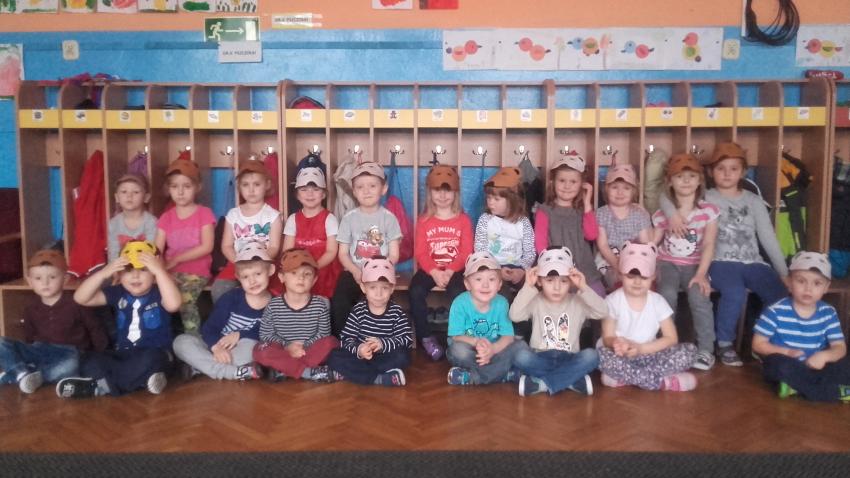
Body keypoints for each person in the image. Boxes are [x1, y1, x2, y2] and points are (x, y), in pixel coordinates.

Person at [661, 142, 788, 367]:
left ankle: (764, 342)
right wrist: (672, 214)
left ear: (744, 172)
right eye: (721, 168)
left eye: (734, 168)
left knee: (779, 293)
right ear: (710, 172)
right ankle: (725, 343)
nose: (727, 174)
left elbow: (768, 237)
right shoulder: (705, 196)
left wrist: (784, 272)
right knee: (734, 292)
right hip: (720, 262)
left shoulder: (753, 200)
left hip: (753, 261)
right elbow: (666, 196)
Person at [58, 241, 181, 398]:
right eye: (128, 270)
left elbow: (173, 304)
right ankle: (137, 381)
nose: (135, 276)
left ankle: (100, 386)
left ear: (154, 274)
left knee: (152, 360)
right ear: (120, 274)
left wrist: (160, 271)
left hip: (155, 353)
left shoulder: (161, 291)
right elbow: (81, 298)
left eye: (143, 270)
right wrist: (103, 273)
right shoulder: (118, 292)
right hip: (124, 354)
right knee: (91, 359)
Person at [0, 250, 107, 394]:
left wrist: (103, 353)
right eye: (38, 278)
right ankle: (21, 373)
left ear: (65, 278)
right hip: (40, 350)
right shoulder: (30, 308)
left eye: (52, 277)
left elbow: (95, 329)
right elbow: (29, 338)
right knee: (2, 343)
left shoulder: (77, 303)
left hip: (69, 353)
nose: (45, 283)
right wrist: (28, 352)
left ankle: (26, 376)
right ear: (30, 281)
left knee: (71, 365)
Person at [597, 241, 698, 392]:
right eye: (631, 276)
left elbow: (671, 338)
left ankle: (627, 377)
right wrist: (617, 343)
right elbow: (607, 338)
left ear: (653, 276)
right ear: (620, 274)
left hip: (650, 353)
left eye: (644, 277)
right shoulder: (612, 301)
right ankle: (664, 382)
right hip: (622, 356)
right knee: (601, 355)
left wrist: (641, 348)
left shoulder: (658, 301)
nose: (637, 282)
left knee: (689, 351)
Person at [753, 252, 850, 402]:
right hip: (789, 364)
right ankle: (833, 392)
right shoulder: (775, 311)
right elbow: (758, 344)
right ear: (789, 283)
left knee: (845, 362)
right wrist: (786, 352)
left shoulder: (828, 312)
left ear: (826, 287)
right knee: (777, 365)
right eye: (801, 281)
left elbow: (839, 347)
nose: (808, 289)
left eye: (817, 283)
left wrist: (824, 356)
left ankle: (798, 387)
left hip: (818, 366)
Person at [510, 247, 608, 396]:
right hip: (540, 357)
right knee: (520, 356)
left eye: (563, 281)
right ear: (540, 281)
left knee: (592, 356)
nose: (557, 287)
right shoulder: (535, 300)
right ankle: (571, 380)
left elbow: (603, 311)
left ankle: (543, 384)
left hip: (569, 357)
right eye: (549, 280)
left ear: (571, 281)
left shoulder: (578, 301)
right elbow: (515, 315)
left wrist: (583, 287)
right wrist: (528, 286)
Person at [652, 154, 719, 371]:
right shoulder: (663, 214)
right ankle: (665, 345)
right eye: (680, 177)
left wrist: (701, 274)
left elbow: (709, 244)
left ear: (700, 180)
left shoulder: (708, 211)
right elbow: (654, 243)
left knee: (699, 297)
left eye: (692, 176)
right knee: (666, 295)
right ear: (670, 182)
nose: (686, 181)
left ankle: (706, 349)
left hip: (695, 265)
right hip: (667, 263)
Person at [173, 242, 273, 381]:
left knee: (253, 349)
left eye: (257, 274)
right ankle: (233, 372)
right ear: (238, 277)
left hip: (240, 350)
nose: (252, 281)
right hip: (216, 345)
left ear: (270, 270)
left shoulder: (276, 304)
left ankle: (201, 368)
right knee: (180, 342)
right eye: (245, 277)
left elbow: (267, 334)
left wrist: (240, 334)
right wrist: (216, 347)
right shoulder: (231, 297)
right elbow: (210, 328)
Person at [408, 165, 473, 361]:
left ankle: (457, 337)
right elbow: (420, 252)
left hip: (457, 270)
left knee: (459, 292)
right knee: (415, 291)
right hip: (430, 269)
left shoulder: (463, 220)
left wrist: (450, 271)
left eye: (448, 190)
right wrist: (435, 272)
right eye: (437, 190)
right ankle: (426, 338)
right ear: (430, 192)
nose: (443, 195)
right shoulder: (424, 221)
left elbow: (466, 251)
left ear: (456, 193)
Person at [331, 161, 402, 336]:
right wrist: (356, 271)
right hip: (354, 271)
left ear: (383, 189)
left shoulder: (389, 218)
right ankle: (344, 341)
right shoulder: (349, 218)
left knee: (382, 303)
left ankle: (381, 340)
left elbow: (394, 254)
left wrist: (381, 270)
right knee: (340, 301)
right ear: (354, 191)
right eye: (360, 187)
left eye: (372, 186)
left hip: (380, 273)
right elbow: (343, 253)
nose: (366, 191)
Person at [253, 248, 339, 382]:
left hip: (308, 351)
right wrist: (288, 347)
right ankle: (307, 372)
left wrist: (303, 346)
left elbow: (323, 334)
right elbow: (266, 335)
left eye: (307, 274)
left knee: (331, 343)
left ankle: (284, 369)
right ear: (282, 277)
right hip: (283, 350)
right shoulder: (273, 305)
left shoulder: (320, 305)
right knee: (261, 348)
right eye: (294, 273)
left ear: (314, 279)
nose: (301, 278)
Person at [326, 257, 412, 386]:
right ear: (363, 287)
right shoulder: (358, 310)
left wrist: (383, 344)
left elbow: (406, 340)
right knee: (334, 356)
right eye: (372, 287)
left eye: (384, 288)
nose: (378, 294)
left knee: (403, 356)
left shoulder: (397, 312)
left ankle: (352, 374)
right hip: (361, 357)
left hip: (385, 356)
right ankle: (380, 378)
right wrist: (359, 349)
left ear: (392, 288)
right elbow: (346, 339)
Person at [154, 158, 216, 334]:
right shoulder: (166, 217)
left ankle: (193, 338)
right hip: (170, 271)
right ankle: (161, 338)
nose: (180, 192)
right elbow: (156, 250)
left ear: (198, 187)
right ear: (168, 189)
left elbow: (207, 246)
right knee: (154, 295)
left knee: (185, 299)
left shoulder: (204, 213)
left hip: (196, 272)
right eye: (175, 186)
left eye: (187, 186)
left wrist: (177, 259)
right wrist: (158, 271)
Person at [446, 251, 524, 386]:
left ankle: (473, 377)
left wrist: (492, 349)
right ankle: (502, 373)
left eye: (492, 279)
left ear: (499, 284)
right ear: (467, 284)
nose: (485, 285)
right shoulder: (459, 303)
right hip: (472, 349)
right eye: (478, 279)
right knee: (457, 351)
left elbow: (508, 336)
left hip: (495, 350)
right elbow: (456, 336)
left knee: (520, 347)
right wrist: (476, 342)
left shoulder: (502, 303)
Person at [211, 159, 282, 302]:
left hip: (263, 264)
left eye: (256, 184)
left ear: (267, 185)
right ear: (239, 186)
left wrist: (258, 263)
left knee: (276, 292)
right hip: (237, 262)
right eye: (245, 185)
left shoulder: (273, 216)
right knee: (220, 289)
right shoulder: (233, 214)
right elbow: (226, 246)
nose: (251, 190)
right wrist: (240, 262)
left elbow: (274, 247)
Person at [535, 153, 605, 297]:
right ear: (553, 182)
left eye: (573, 181)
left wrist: (587, 204)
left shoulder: (582, 210)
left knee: (598, 297)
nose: (567, 186)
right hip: (555, 269)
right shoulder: (544, 210)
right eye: (562, 180)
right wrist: (552, 265)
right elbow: (540, 244)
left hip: (583, 269)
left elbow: (592, 235)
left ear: (581, 184)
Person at [474, 167, 535, 302]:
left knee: (531, 291)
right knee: (501, 294)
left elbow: (530, 252)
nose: (490, 202)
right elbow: (480, 249)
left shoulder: (523, 222)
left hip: (518, 267)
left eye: (496, 199)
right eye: (489, 198)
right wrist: (495, 269)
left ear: (512, 200)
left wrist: (522, 270)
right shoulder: (485, 220)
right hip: (492, 268)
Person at [282, 167, 341, 299]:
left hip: (324, 274)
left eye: (316, 189)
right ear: (297, 195)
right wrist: (300, 271)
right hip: (298, 274)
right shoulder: (293, 219)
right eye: (304, 190)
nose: (310, 194)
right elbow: (287, 251)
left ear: (323, 194)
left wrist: (313, 268)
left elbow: (331, 251)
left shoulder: (330, 219)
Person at [595, 163, 652, 291]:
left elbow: (645, 243)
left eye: (626, 188)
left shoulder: (639, 214)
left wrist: (638, 263)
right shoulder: (601, 213)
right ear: (606, 189)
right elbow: (603, 245)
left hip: (635, 259)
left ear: (633, 191)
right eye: (614, 187)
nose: (620, 192)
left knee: (645, 281)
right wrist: (617, 265)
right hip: (609, 261)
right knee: (618, 282)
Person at [107, 173, 157, 262]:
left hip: (145, 266)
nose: (129, 196)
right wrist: (117, 270)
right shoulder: (113, 223)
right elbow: (113, 255)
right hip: (122, 267)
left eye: (136, 192)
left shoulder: (152, 222)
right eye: (124, 192)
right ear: (117, 197)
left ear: (146, 197)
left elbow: (152, 252)